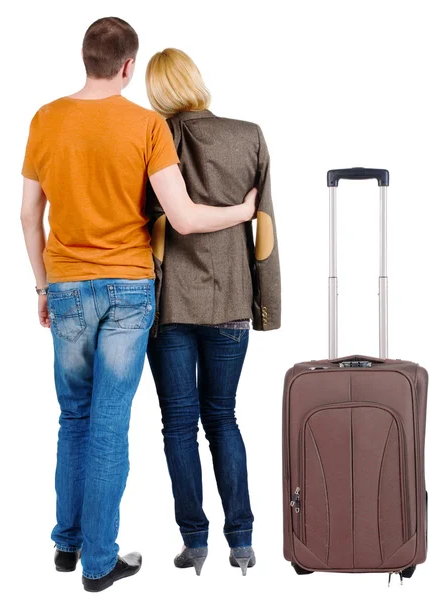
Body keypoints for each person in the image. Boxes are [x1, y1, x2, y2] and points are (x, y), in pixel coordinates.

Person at [20, 19, 257, 593]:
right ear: (129, 67)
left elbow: (30, 215)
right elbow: (183, 218)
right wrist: (244, 212)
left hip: (68, 287)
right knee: (107, 423)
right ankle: (100, 562)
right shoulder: (146, 124)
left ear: (85, 59)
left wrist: (42, 286)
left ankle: (66, 542)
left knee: (72, 416)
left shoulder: (45, 119)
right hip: (128, 290)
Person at [145, 48, 281, 576]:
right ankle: (242, 542)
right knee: (222, 417)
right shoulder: (248, 134)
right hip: (230, 298)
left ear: (157, 92)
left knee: (178, 423)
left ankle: (194, 542)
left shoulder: (155, 136)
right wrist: (265, 305)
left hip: (171, 301)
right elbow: (265, 226)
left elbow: (144, 219)